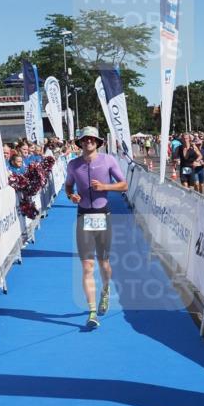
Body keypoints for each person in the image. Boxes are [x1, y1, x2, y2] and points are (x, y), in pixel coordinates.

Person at [64, 126, 128, 329]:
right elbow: (68, 186)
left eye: (92, 139)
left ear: (98, 142)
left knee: (104, 264)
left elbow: (124, 185)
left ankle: (106, 288)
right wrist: (71, 195)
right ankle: (92, 312)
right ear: (80, 142)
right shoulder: (73, 164)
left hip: (103, 216)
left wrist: (105, 187)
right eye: (85, 139)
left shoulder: (108, 160)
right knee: (86, 266)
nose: (88, 141)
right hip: (83, 216)